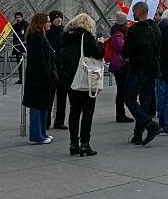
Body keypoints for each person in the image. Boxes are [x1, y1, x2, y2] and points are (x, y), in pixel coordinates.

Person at [60, 13, 103, 156]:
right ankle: (85, 144)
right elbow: (98, 54)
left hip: (70, 78)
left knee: (74, 110)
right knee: (88, 111)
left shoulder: (65, 37)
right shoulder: (86, 36)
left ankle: (73, 144)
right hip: (85, 78)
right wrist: (101, 44)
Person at [123, 1, 163, 146]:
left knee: (129, 98)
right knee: (145, 101)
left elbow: (126, 51)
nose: (133, 14)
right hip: (152, 69)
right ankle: (138, 134)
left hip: (137, 69)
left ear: (139, 12)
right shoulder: (156, 27)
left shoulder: (134, 30)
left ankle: (149, 125)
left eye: (134, 11)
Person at [22, 13, 56, 144]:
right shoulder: (36, 36)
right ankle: (36, 136)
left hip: (39, 76)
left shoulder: (39, 35)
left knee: (43, 105)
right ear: (41, 22)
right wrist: (47, 75)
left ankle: (42, 133)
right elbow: (40, 59)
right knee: (37, 105)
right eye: (48, 21)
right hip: (39, 77)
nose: (50, 23)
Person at [105, 12, 133, 123]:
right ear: (123, 23)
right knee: (122, 91)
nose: (129, 23)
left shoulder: (119, 32)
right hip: (120, 65)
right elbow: (121, 47)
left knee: (122, 90)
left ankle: (121, 114)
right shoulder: (118, 34)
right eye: (127, 22)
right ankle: (120, 115)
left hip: (119, 65)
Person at [48, 11, 70, 130]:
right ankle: (46, 121)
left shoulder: (65, 32)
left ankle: (59, 121)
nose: (59, 20)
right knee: (50, 96)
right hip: (53, 68)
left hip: (63, 68)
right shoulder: (48, 32)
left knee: (62, 96)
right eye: (57, 18)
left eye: (61, 18)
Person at [11, 11, 28, 84]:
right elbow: (14, 39)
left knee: (26, 64)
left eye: (19, 17)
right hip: (18, 48)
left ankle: (26, 78)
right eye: (16, 17)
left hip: (25, 47)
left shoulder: (26, 25)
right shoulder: (15, 26)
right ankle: (21, 78)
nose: (18, 19)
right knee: (19, 64)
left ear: (22, 17)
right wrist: (14, 49)